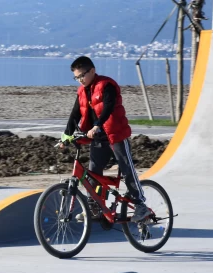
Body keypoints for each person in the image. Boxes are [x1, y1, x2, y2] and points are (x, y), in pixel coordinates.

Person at [59, 56, 150, 222]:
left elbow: (108, 107)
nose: (80, 80)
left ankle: (140, 205)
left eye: (82, 76)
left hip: (116, 135)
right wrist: (65, 136)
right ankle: (94, 207)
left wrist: (97, 125)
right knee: (93, 172)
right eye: (76, 77)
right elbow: (75, 114)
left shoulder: (106, 85)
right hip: (99, 138)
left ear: (92, 71)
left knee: (126, 169)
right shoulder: (82, 92)